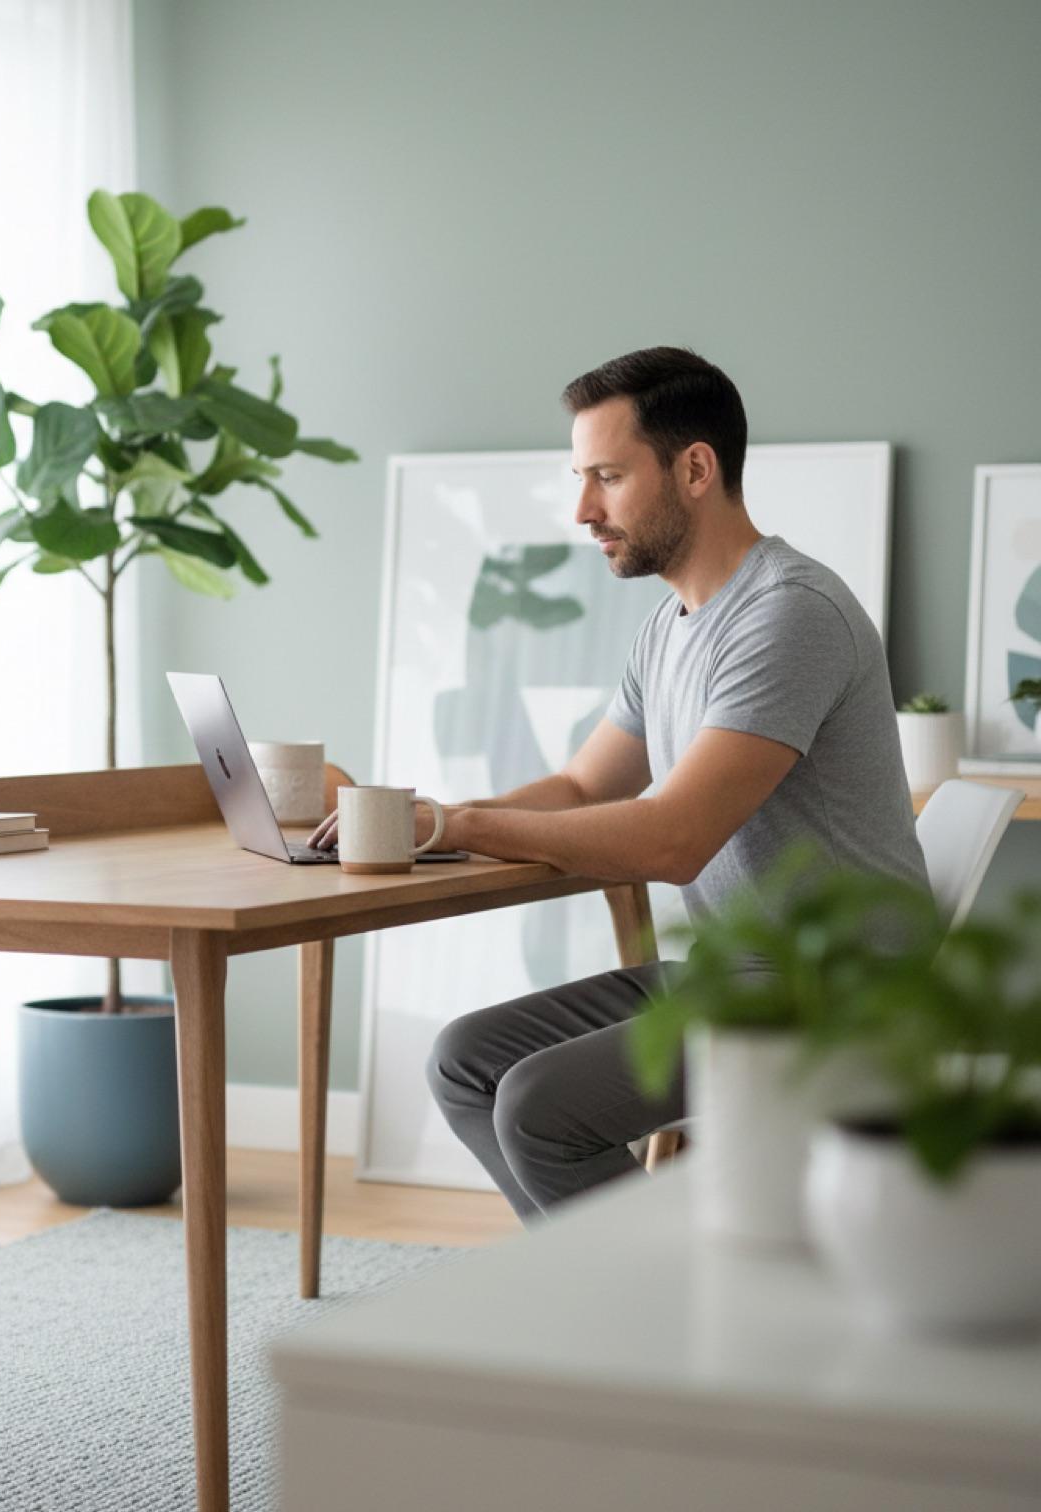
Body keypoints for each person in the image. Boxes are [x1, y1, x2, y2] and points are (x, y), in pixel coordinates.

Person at [307, 346, 927, 1222]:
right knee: (466, 1063)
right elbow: (580, 784)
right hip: (735, 974)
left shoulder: (790, 616)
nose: (583, 509)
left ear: (696, 468)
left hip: (839, 990)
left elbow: (671, 839)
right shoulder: (669, 629)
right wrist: (427, 819)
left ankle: (647, 1323)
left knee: (539, 1107)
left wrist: (463, 824)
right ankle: (616, 1299)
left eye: (607, 476)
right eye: (579, 477)